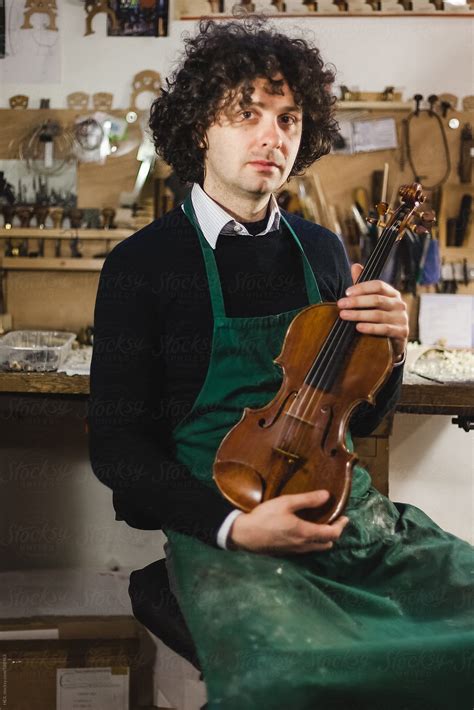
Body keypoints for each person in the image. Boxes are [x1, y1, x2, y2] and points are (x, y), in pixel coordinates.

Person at [89, 17, 473, 710]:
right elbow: (116, 449)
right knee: (287, 681)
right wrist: (232, 525)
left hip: (352, 517)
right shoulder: (140, 266)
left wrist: (391, 350)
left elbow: (359, 416)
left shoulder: (323, 250)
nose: (273, 136)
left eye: (289, 118)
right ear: (201, 127)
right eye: (247, 114)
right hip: (230, 528)